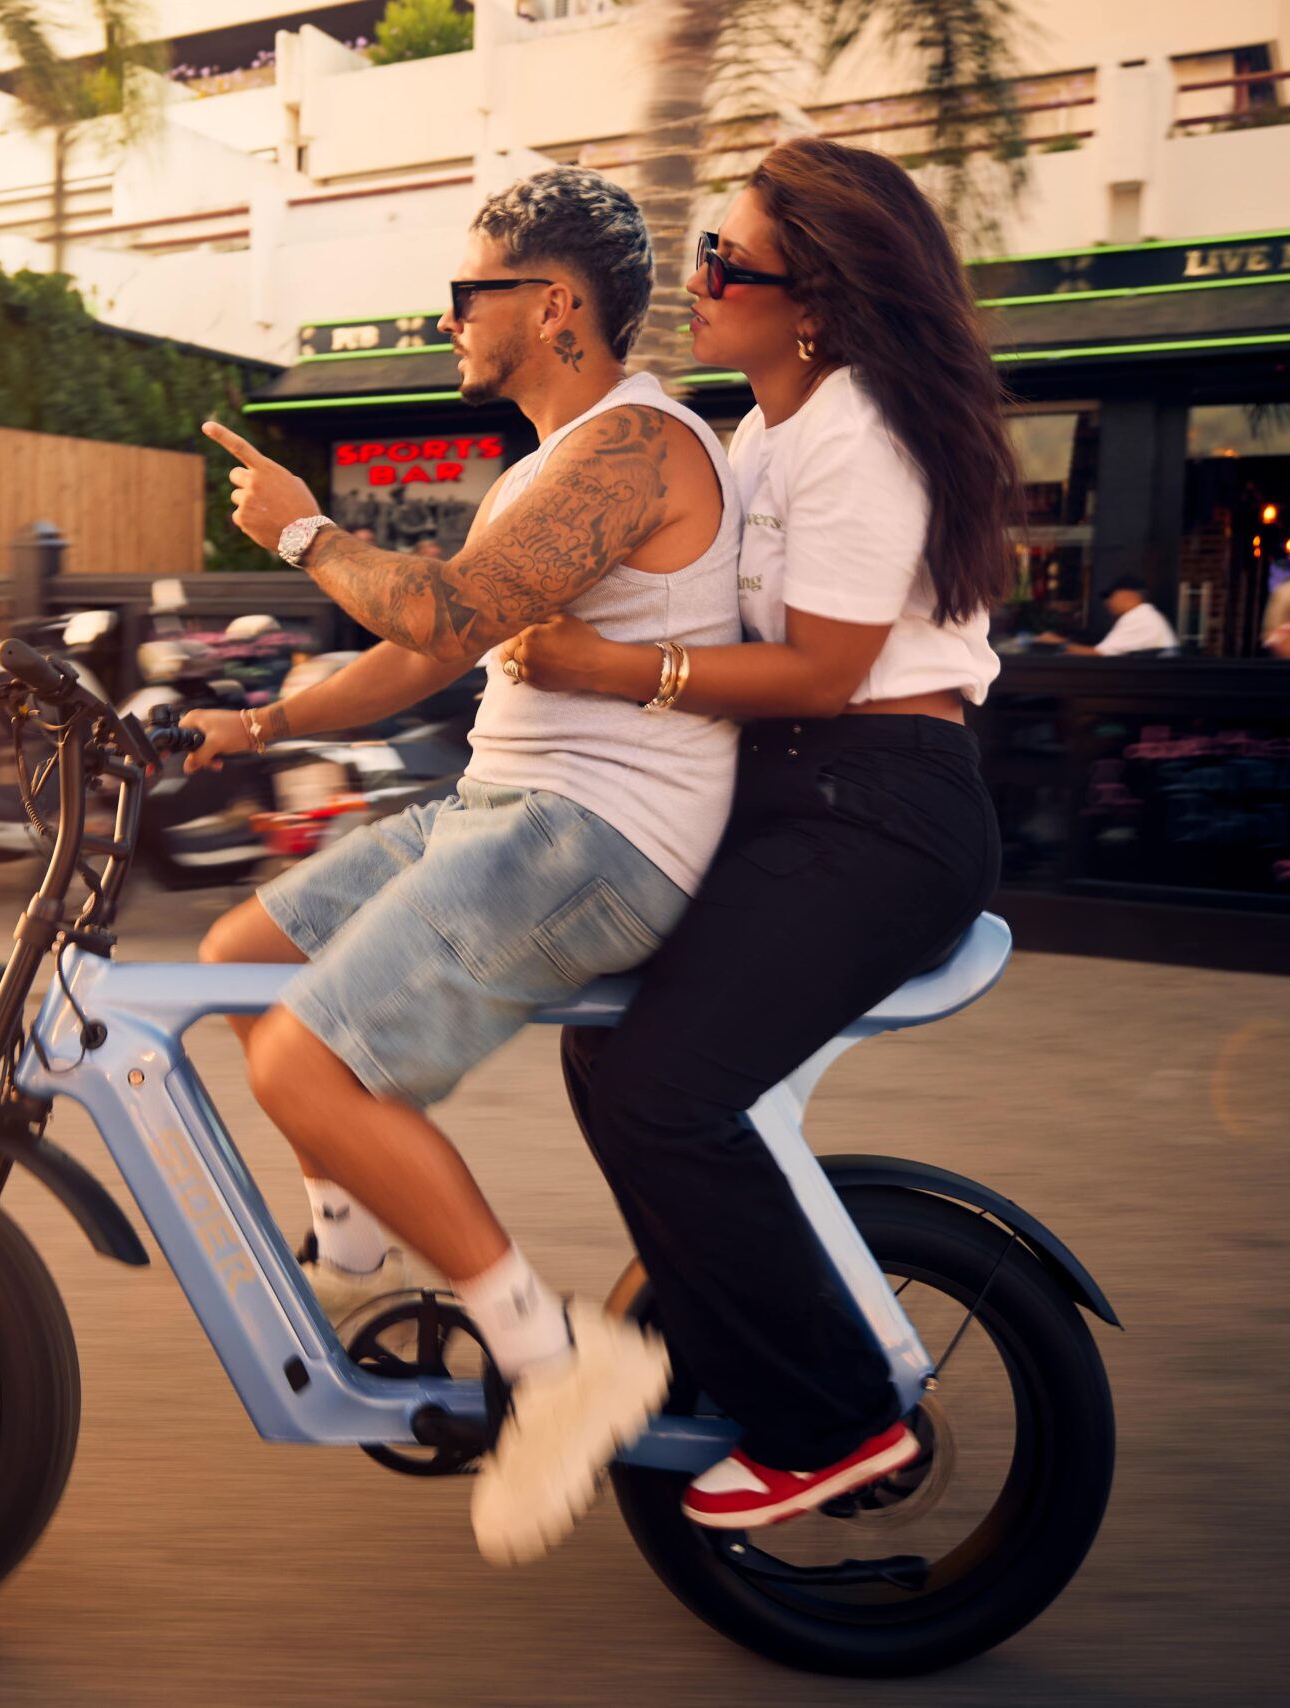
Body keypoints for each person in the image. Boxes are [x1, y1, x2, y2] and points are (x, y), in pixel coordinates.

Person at [194, 163, 743, 1565]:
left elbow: (441, 617)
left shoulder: (639, 448)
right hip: (503, 806)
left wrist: (305, 529)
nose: (447, 321)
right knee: (237, 963)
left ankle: (558, 1359)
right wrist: (250, 721)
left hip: (598, 834)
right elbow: (406, 659)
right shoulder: (546, 470)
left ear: (553, 307)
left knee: (302, 1064)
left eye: (465, 293)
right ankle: (360, 1223)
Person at [499, 137, 1015, 1531]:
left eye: (732, 262)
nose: (700, 278)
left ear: (819, 304)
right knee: (606, 1048)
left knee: (669, 1085)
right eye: (704, 253)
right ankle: (735, 1349)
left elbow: (825, 675)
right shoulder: (759, 433)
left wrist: (612, 673)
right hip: (799, 798)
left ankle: (840, 1422)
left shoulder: (861, 431)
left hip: (881, 812)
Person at [1041, 575, 1177, 655]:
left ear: (1128, 595)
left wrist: (1058, 643)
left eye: (1111, 596)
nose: (1108, 602)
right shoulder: (1144, 615)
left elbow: (1101, 655)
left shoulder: (1140, 617)